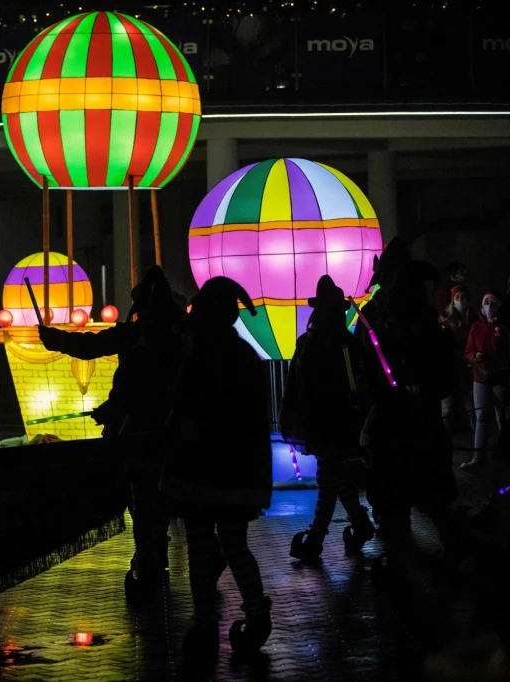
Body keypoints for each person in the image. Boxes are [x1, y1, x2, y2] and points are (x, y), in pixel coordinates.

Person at [36, 265, 187, 606]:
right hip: (172, 433)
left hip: (139, 434)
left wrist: (57, 340)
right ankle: (155, 552)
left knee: (141, 499)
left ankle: (148, 558)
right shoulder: (182, 336)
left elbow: (100, 354)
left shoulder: (137, 335)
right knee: (157, 499)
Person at [160, 277, 273, 658]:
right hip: (237, 472)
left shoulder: (199, 356)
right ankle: (255, 611)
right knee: (233, 544)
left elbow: (183, 409)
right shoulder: (243, 356)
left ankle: (205, 620)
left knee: (200, 547)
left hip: (197, 470)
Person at [357, 261, 462, 581]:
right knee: (401, 504)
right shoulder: (388, 329)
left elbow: (446, 377)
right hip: (398, 429)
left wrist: (420, 388)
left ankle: (445, 554)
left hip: (415, 429)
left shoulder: (426, 331)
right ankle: (403, 563)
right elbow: (370, 375)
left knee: (426, 500)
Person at [281, 276, 375, 561]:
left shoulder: (317, 343)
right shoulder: (343, 343)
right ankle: (355, 524)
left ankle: (318, 538)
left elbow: (295, 384)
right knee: (334, 476)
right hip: (334, 421)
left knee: (328, 477)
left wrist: (288, 416)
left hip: (328, 421)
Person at [463, 291, 508, 471]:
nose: (489, 305)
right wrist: (476, 355)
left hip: (499, 377)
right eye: (486, 302)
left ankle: (503, 455)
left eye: (492, 302)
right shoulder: (476, 326)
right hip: (480, 377)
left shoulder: (504, 326)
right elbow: (468, 350)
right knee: (481, 416)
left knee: (501, 416)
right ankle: (478, 458)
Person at [440, 285, 477, 435]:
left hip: (468, 367)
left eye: (463, 297)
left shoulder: (473, 319)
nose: (460, 300)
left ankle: (478, 439)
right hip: (449, 368)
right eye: (457, 297)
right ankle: (445, 440)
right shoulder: (445, 319)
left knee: (472, 407)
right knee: (447, 409)